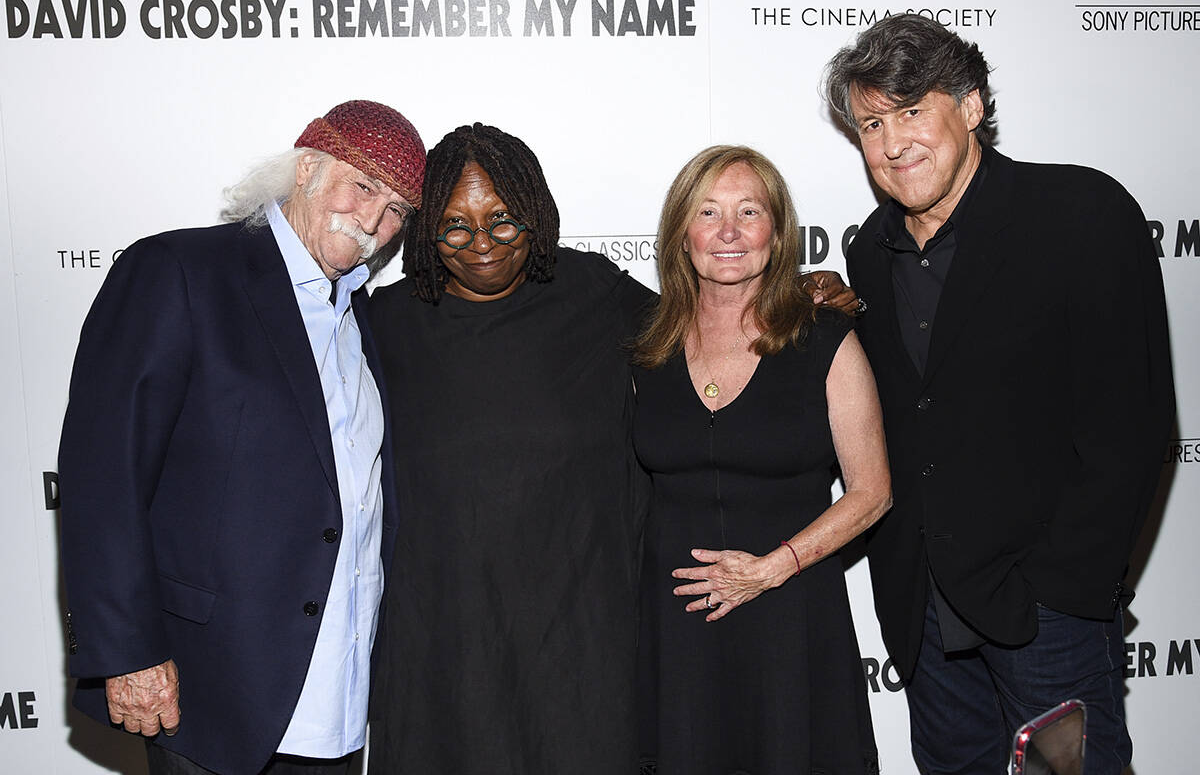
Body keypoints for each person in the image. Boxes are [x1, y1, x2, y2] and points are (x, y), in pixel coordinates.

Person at [366, 123, 858, 774]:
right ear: (425, 231)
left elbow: (707, 325)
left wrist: (799, 295)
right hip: (444, 627)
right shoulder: (386, 322)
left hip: (579, 624)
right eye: (455, 227)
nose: (481, 243)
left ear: (535, 217)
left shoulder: (591, 292)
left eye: (504, 222)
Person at [822, 14, 1174, 775]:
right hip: (926, 625)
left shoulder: (1080, 214)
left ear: (972, 105)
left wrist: (1061, 593)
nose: (893, 142)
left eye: (914, 111)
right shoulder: (870, 258)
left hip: (1045, 622)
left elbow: (1134, 428)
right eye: (873, 122)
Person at [57, 100, 425, 775]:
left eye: (399, 208)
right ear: (307, 168)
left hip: (337, 706)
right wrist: (128, 652)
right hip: (214, 696)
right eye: (364, 185)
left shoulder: (362, 317)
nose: (376, 220)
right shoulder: (181, 272)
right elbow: (103, 476)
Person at [632, 144, 891, 775]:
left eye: (749, 212)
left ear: (776, 235)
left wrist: (774, 569)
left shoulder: (825, 339)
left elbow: (872, 491)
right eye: (708, 212)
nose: (728, 233)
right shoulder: (642, 345)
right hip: (677, 629)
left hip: (790, 620)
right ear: (680, 234)